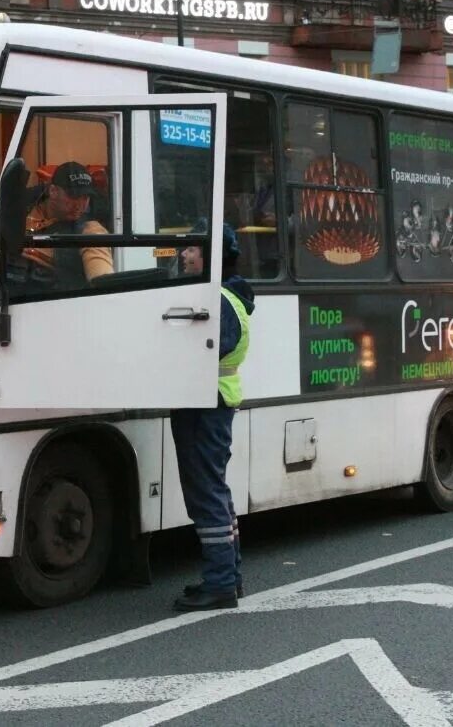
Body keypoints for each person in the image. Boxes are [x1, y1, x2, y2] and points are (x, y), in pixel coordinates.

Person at [172, 222, 255, 612]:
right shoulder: (228, 295)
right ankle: (228, 577)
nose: (185, 255)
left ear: (213, 256)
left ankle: (220, 582)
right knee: (215, 490)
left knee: (205, 491)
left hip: (206, 404)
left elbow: (204, 352)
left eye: (193, 249)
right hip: (211, 402)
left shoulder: (217, 299)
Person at [14, 161, 114, 289]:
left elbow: (102, 281)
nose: (80, 205)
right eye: (73, 195)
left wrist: (52, 259)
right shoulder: (20, 211)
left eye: (85, 197)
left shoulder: (90, 229)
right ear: (53, 191)